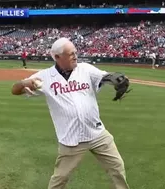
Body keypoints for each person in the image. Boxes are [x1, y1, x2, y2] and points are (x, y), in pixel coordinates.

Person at [10, 38, 130, 189]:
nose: (75, 56)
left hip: (97, 133)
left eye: (75, 52)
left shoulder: (85, 69)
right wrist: (23, 83)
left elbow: (105, 77)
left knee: (117, 167)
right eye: (70, 53)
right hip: (70, 139)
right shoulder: (44, 77)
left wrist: (116, 79)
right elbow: (14, 90)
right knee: (60, 178)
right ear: (57, 57)